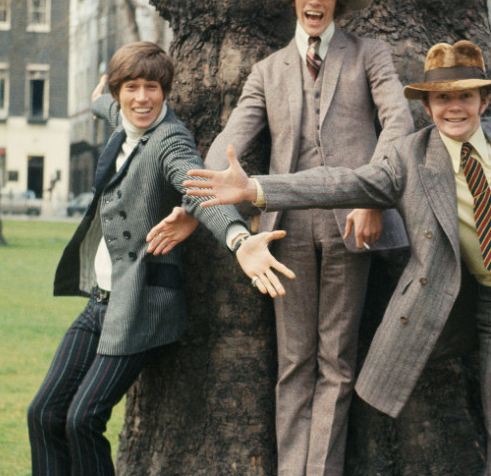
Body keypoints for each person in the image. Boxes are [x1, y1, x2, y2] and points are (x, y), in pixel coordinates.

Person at [184, 40, 491, 476]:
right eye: (442, 97)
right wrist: (255, 188)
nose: (453, 107)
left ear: (485, 99)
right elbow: (340, 181)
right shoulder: (409, 158)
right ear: (427, 106)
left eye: (465, 95)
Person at [148, 0, 414, 476]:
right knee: (294, 364)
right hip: (282, 235)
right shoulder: (266, 71)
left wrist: (371, 194)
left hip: (351, 227)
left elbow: (399, 128)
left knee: (336, 362)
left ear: (339, 0)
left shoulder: (370, 56)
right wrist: (193, 204)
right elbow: (225, 148)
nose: (315, 0)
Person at [26, 42, 293, 476]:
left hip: (139, 304)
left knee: (82, 420)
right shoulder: (120, 116)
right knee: (43, 414)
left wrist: (239, 238)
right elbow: (107, 109)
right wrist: (97, 101)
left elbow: (199, 191)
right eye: (131, 87)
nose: (142, 98)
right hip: (98, 304)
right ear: (118, 91)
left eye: (152, 87)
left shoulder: (170, 139)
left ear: (165, 91)